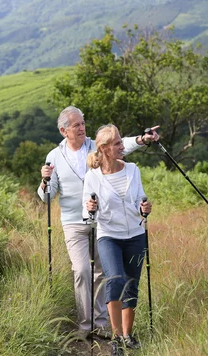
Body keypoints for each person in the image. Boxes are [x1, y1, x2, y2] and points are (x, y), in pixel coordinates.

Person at [37, 106, 159, 339]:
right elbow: (47, 196)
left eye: (83, 123)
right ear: (64, 130)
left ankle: (102, 324)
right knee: (82, 270)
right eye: (76, 125)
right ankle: (86, 325)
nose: (82, 128)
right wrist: (45, 181)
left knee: (103, 272)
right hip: (74, 222)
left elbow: (121, 144)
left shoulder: (96, 145)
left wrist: (143, 139)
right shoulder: (54, 156)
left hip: (103, 222)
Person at [83, 124, 152, 355]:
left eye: (121, 142)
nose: (123, 147)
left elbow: (140, 200)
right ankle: (115, 338)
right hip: (109, 235)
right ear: (104, 149)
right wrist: (90, 208)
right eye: (118, 144)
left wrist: (145, 207)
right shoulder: (92, 177)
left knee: (131, 284)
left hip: (135, 234)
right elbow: (87, 214)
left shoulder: (133, 170)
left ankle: (127, 335)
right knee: (115, 279)